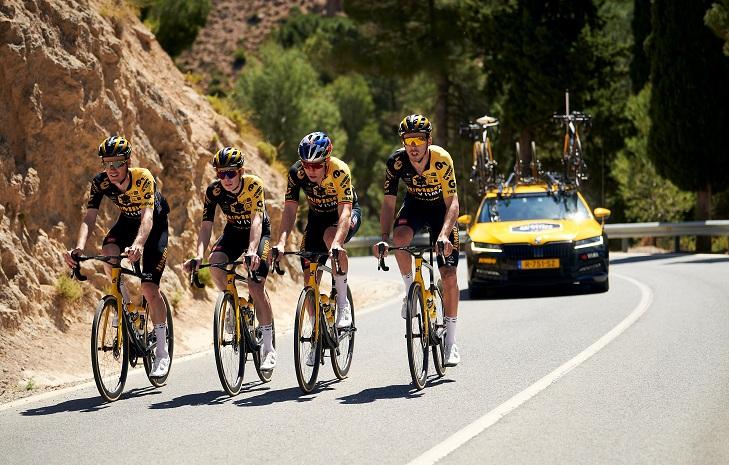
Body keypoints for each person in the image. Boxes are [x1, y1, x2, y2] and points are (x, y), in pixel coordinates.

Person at [64, 136, 171, 377]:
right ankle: (122, 305)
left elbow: (147, 218)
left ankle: (162, 352)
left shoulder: (143, 178)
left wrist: (138, 245)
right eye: (106, 163)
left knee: (150, 289)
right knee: (108, 252)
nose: (111, 170)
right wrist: (78, 248)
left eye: (117, 163)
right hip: (126, 223)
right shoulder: (100, 182)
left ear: (128, 162)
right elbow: (89, 216)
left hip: (153, 227)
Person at [372, 114, 462, 366]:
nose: (412, 146)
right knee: (399, 240)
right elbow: (389, 203)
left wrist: (444, 233)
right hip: (415, 206)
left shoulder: (442, 160)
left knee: (449, 275)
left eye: (418, 140)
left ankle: (451, 342)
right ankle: (410, 292)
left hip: (441, 211)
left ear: (428, 141)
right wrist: (383, 238)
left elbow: (452, 202)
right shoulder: (396, 162)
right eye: (408, 140)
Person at [183, 147, 276, 370]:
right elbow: (206, 226)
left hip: (258, 234)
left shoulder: (253, 184)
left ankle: (269, 348)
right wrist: (198, 254)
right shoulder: (213, 191)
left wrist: (252, 250)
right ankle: (232, 304)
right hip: (233, 232)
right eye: (220, 174)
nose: (225, 179)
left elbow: (256, 220)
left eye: (230, 173)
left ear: (241, 171)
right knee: (215, 264)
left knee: (255, 286)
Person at [272, 131, 361, 337]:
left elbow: (345, 211)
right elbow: (290, 210)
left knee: (331, 238)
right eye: (306, 164)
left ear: (327, 160)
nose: (310, 170)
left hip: (344, 215)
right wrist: (281, 242)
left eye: (316, 165)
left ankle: (342, 303)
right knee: (309, 278)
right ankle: (316, 331)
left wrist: (338, 243)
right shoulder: (297, 173)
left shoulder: (339, 171)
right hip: (317, 219)